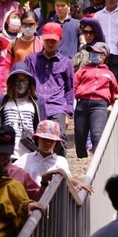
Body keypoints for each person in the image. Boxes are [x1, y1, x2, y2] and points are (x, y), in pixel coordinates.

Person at [24, 23, 74, 156]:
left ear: (60, 40)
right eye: (47, 40)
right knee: (34, 140)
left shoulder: (66, 62)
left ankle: (61, 173)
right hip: (35, 105)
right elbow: (25, 82)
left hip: (57, 106)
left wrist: (68, 113)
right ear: (42, 39)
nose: (50, 43)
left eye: (54, 40)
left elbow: (69, 88)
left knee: (59, 139)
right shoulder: (31, 60)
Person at [13, 120, 93, 193]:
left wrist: (78, 183)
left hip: (53, 205)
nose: (48, 143)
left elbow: (67, 177)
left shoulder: (60, 161)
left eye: (51, 140)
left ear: (56, 143)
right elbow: (11, 173)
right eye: (44, 139)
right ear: (37, 139)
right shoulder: (25, 159)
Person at [74, 42, 118, 158]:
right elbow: (74, 84)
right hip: (82, 102)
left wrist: (114, 103)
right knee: (79, 134)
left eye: (96, 53)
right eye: (92, 52)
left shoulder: (109, 74)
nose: (92, 54)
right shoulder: (83, 70)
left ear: (104, 55)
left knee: (97, 134)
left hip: (99, 104)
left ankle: (97, 158)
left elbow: (115, 91)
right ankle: (81, 156)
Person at [0, 63, 47, 158]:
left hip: (29, 156)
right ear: (12, 82)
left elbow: (42, 127)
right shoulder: (2, 100)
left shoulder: (37, 102)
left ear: (30, 82)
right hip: (8, 154)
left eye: (24, 80)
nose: (21, 84)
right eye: (18, 80)